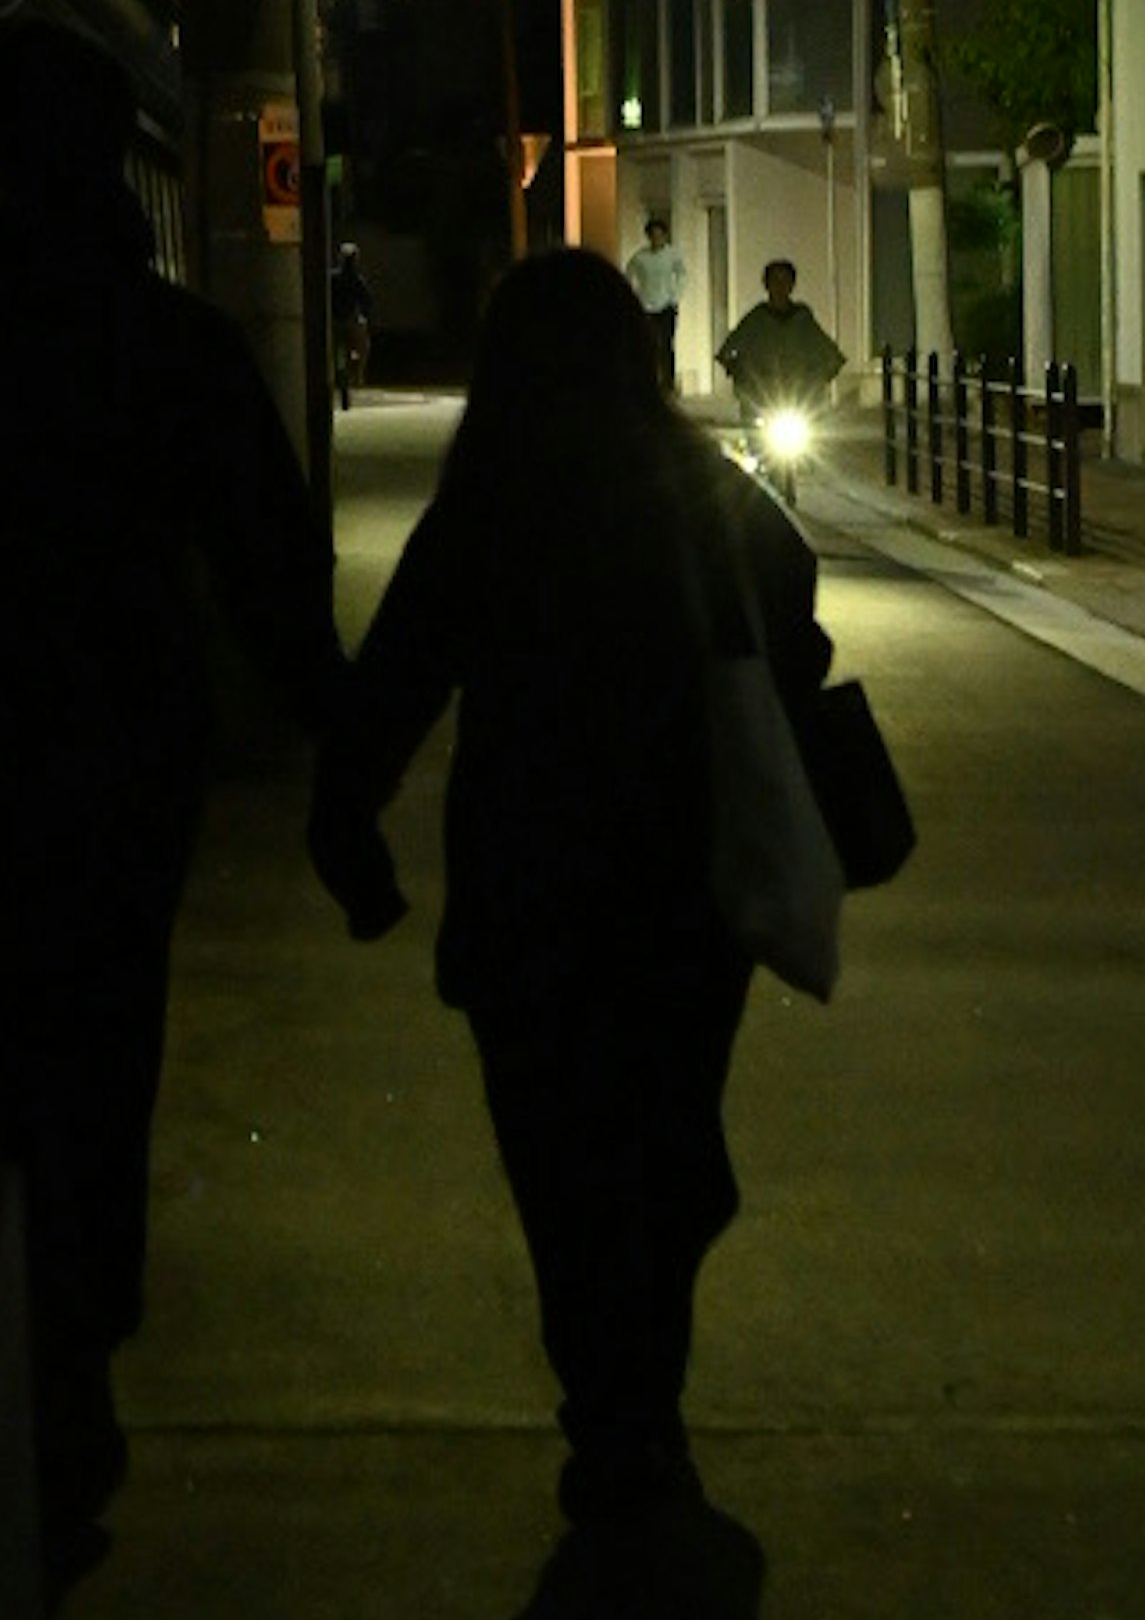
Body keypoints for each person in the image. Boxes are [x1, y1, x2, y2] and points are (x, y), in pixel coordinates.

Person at [0, 12, 339, 1562]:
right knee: (107, 1051)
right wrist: (339, 752)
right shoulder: (171, 343)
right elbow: (267, 560)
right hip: (130, 748)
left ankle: (12, 1348)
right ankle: (76, 1351)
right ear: (117, 150)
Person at [309, 243, 830, 1523]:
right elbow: (797, 611)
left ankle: (608, 1407)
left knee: (559, 1158)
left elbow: (398, 679)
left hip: (528, 880)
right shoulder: (695, 486)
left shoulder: (491, 498)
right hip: (680, 885)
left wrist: (348, 823)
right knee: (667, 1134)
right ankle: (643, 1395)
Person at [714, 255, 843, 422]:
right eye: (775, 280)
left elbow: (831, 355)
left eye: (785, 280)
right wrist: (742, 375)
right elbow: (727, 352)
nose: (780, 286)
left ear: (792, 285)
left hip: (798, 399)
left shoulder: (802, 318)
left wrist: (817, 379)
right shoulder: (756, 319)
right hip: (763, 399)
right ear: (766, 285)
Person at [625, 199, 689, 394]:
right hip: (646, 305)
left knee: (666, 345)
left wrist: (675, 296)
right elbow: (629, 275)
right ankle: (650, 381)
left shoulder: (672, 255)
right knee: (649, 345)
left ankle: (668, 383)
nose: (656, 239)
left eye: (660, 235)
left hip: (666, 305)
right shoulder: (640, 257)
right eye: (653, 236)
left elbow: (682, 275)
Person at [330, 238, 376, 408]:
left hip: (335, 322)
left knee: (334, 349)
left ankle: (342, 374)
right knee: (363, 346)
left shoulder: (332, 277)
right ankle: (358, 373)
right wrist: (364, 315)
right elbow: (367, 301)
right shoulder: (357, 279)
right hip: (348, 321)